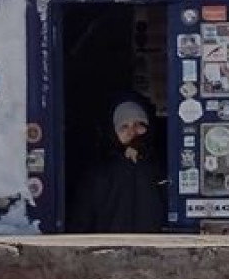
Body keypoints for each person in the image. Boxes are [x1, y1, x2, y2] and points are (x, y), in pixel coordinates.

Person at [72, 95, 168, 232]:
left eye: (139, 125)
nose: (132, 132)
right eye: (124, 127)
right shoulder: (97, 174)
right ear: (113, 132)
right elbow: (82, 222)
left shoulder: (161, 168)